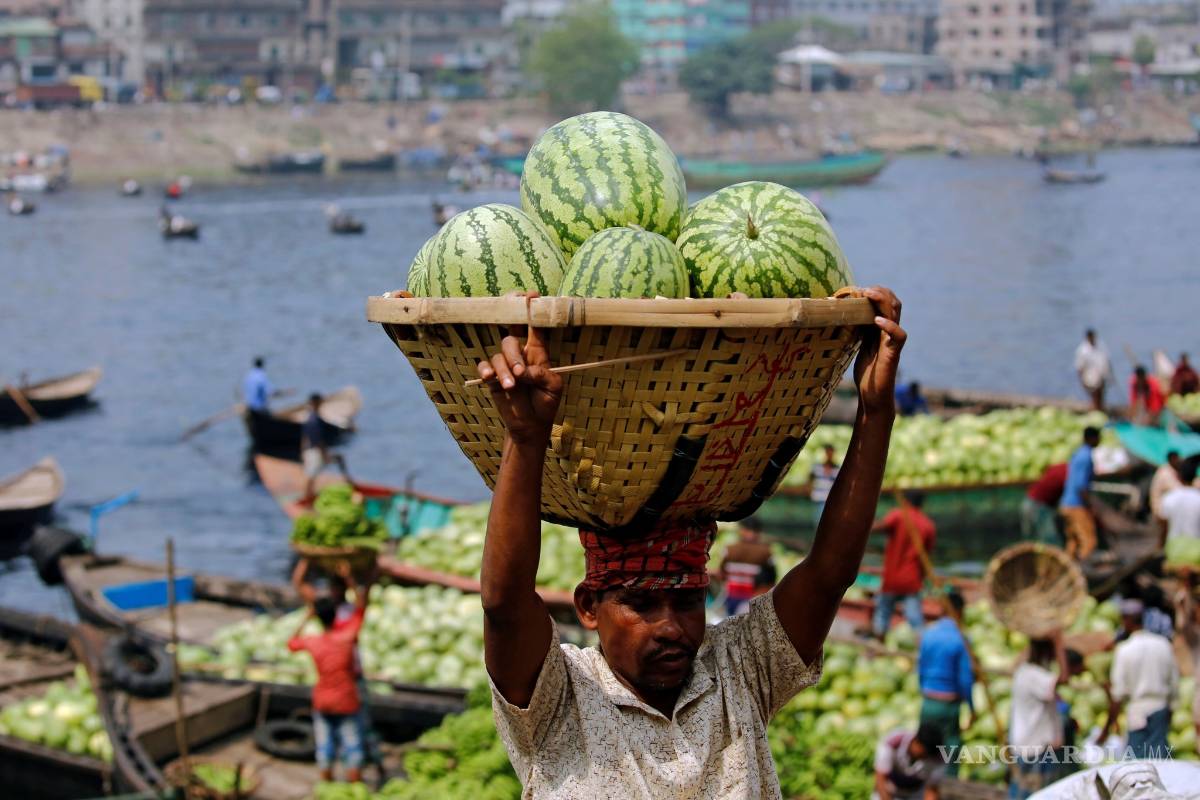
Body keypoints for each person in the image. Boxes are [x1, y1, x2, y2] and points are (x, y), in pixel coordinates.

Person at [475, 287, 906, 797]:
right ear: (589, 607)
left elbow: (829, 573)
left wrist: (874, 412)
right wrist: (526, 439)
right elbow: (504, 602)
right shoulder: (559, 697)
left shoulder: (738, 670)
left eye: (686, 601)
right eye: (640, 603)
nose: (670, 628)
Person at [292, 560, 383, 781]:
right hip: (347, 696)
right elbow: (362, 608)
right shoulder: (347, 637)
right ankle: (356, 785)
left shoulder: (316, 641)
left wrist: (307, 617)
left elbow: (292, 642)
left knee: (325, 747)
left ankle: (330, 785)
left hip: (323, 698)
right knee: (354, 744)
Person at [1104, 599, 1179, 760]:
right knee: (1160, 763)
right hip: (1160, 708)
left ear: (1126, 620)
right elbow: (1174, 682)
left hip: (1137, 711)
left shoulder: (1124, 650)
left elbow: (1118, 692)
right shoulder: (1163, 644)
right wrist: (1170, 710)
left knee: (1137, 766)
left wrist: (1109, 725)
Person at [1008, 633, 1076, 799]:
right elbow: (1064, 678)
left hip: (1029, 744)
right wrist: (1059, 644)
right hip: (1034, 747)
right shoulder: (1033, 675)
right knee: (1033, 793)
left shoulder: (1026, 672)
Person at [916, 591, 973, 777]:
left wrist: (925, 692)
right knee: (950, 751)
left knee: (926, 746)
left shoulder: (928, 634)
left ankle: (922, 785)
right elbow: (965, 679)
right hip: (949, 705)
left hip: (928, 701)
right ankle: (946, 787)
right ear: (960, 611)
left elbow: (921, 670)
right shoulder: (961, 639)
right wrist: (971, 707)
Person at [872, 491, 936, 637]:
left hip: (892, 579)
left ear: (906, 501)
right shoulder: (927, 524)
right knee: (916, 620)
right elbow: (927, 558)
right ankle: (922, 649)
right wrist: (924, 579)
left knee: (882, 616)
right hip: (912, 580)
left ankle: (878, 647)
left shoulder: (898, 515)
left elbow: (878, 527)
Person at [718, 517, 776, 617]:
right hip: (753, 600)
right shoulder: (766, 552)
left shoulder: (729, 550)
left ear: (742, 530)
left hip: (731, 598)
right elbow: (772, 579)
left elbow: (722, 575)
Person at [1059, 427, 1101, 560]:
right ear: (1092, 439)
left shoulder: (1077, 453)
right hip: (1076, 505)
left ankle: (1067, 571)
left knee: (1073, 543)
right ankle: (1085, 574)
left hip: (1066, 504)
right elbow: (1080, 485)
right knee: (1089, 542)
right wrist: (1089, 506)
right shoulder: (1085, 456)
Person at [873, 723, 945, 800]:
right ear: (916, 741)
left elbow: (932, 789)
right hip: (889, 789)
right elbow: (880, 778)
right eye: (924, 753)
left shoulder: (937, 758)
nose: (925, 758)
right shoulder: (893, 742)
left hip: (915, 794)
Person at [302, 393, 347, 500]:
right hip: (315, 451)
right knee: (311, 476)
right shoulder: (314, 420)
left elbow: (304, 437)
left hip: (310, 450)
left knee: (312, 475)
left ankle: (308, 496)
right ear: (316, 403)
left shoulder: (310, 417)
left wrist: (302, 451)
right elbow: (318, 440)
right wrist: (324, 455)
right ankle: (307, 498)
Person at [1021, 463, 1068, 545]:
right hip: (1038, 505)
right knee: (1049, 540)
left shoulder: (1061, 467)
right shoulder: (1068, 473)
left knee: (1031, 540)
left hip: (1029, 502)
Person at [1160, 460, 1200, 544]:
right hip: (1197, 548)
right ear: (1195, 476)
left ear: (1178, 477)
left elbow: (1164, 527)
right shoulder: (1197, 497)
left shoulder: (1169, 497)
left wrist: (1160, 545)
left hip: (1175, 548)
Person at [1150, 452, 1184, 544]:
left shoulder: (1172, 471)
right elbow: (1178, 489)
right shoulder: (1165, 473)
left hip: (1168, 509)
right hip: (1161, 510)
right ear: (1172, 459)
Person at [1074, 330, 1111, 411]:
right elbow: (1080, 367)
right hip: (1089, 377)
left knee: (1100, 396)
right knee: (1094, 395)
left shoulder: (1101, 346)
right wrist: (1082, 381)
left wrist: (1109, 375)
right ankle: (1095, 410)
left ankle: (1099, 410)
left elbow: (1107, 361)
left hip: (1101, 375)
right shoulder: (1082, 350)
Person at [808, 444, 841, 528]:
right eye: (827, 452)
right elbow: (810, 480)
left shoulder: (837, 469)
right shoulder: (817, 467)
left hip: (831, 498)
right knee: (819, 522)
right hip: (818, 497)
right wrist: (810, 489)